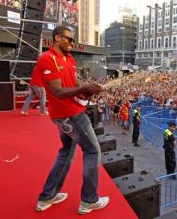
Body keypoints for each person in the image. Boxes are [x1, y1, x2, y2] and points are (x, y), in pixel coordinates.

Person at [35, 26, 109, 215]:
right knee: (92, 151)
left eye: (73, 40)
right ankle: (89, 200)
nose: (72, 43)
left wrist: (86, 89)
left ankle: (47, 196)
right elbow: (58, 91)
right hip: (70, 115)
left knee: (66, 152)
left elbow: (74, 82)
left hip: (68, 113)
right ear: (57, 38)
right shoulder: (46, 59)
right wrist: (84, 89)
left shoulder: (69, 58)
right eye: (68, 39)